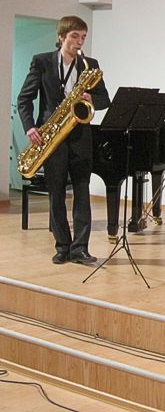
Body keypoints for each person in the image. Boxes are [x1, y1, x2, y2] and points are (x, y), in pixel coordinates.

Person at [17, 15, 111, 265]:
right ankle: (62, 246)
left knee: (82, 190)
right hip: (51, 136)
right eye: (74, 36)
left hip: (81, 135)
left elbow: (105, 99)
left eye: (83, 37)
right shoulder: (42, 62)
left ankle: (80, 248)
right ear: (61, 37)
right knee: (56, 192)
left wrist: (92, 99)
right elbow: (24, 99)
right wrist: (30, 127)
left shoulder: (90, 65)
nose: (79, 42)